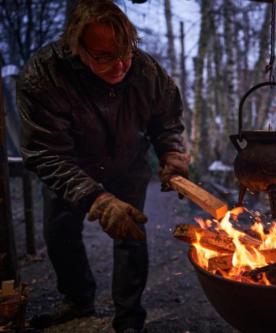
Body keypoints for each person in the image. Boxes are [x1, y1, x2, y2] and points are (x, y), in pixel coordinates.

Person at [16, 1, 189, 332]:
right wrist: (96, 198)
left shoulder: (146, 71)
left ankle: (129, 317)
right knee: (60, 233)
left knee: (131, 235)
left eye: (125, 52)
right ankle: (78, 298)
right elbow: (44, 151)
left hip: (127, 163)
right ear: (77, 47)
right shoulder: (44, 75)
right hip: (70, 167)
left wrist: (172, 154)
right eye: (104, 57)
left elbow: (166, 120)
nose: (120, 65)